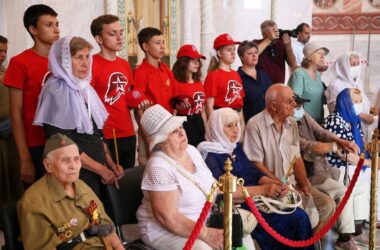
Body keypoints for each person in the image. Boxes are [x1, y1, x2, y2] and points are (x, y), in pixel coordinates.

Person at [136, 104, 254, 250]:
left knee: (244, 237)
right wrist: (206, 233)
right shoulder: (158, 167)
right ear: (161, 142)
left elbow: (213, 187)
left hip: (205, 220)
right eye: (173, 131)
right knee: (203, 248)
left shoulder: (191, 151)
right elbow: (168, 218)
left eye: (180, 127)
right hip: (166, 231)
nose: (181, 133)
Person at [198, 108, 314, 250]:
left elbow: (254, 174)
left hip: (259, 199)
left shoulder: (235, 148)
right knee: (296, 218)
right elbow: (226, 192)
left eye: (237, 124)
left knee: (299, 215)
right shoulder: (209, 156)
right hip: (241, 206)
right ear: (216, 129)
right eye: (229, 126)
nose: (236, 130)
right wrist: (264, 190)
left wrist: (275, 184)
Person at [34, 36, 123, 196]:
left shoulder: (83, 87)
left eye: (87, 56)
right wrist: (101, 169)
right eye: (78, 57)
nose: (85, 63)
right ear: (64, 61)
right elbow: (64, 142)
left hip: (98, 169)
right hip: (77, 172)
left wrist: (109, 163)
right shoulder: (56, 90)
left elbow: (97, 133)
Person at [243, 84, 335, 233]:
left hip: (293, 183)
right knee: (300, 216)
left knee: (327, 205)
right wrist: (278, 183)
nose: (294, 104)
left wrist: (304, 183)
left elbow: (296, 157)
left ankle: (308, 243)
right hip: (273, 187)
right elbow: (256, 164)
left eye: (293, 100)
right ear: (273, 106)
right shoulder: (255, 125)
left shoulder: (291, 123)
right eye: (289, 101)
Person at [17, 133, 124, 250]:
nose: (73, 166)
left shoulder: (81, 186)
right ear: (48, 165)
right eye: (65, 160)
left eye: (77, 159)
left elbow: (108, 229)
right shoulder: (33, 202)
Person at [295, 94, 371, 249]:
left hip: (320, 171)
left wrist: (341, 141)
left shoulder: (303, 116)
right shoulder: (289, 124)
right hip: (305, 176)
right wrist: (337, 146)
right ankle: (321, 240)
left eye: (300, 106)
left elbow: (322, 133)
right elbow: (309, 146)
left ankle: (346, 236)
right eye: (296, 106)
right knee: (336, 196)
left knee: (347, 190)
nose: (299, 109)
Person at [3, 4, 60, 185]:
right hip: (35, 143)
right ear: (33, 29)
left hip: (63, 141)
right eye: (49, 25)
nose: (56, 30)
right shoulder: (19, 62)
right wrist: (24, 158)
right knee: (40, 202)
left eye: (57, 24)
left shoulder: (63, 61)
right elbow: (16, 114)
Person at [90, 14, 148, 169]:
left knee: (127, 177)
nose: (119, 37)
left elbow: (127, 96)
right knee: (110, 182)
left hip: (128, 131)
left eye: (121, 32)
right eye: (112, 33)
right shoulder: (91, 64)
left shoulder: (124, 64)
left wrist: (139, 100)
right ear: (99, 39)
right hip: (105, 133)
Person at [133, 27, 176, 166]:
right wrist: (147, 138)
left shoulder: (167, 70)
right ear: (145, 46)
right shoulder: (140, 72)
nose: (163, 46)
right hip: (150, 132)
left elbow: (174, 101)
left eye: (163, 42)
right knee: (151, 168)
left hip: (168, 129)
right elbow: (138, 109)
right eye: (158, 43)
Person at [325, 52, 374, 141]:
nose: (356, 67)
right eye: (353, 64)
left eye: (358, 64)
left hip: (361, 128)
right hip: (347, 131)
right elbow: (338, 111)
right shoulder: (336, 85)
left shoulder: (358, 82)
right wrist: (363, 116)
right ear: (344, 66)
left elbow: (361, 102)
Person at [1, 35, 24, 205]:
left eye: (5, 51)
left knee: (13, 173)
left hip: (11, 130)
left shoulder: (6, 71)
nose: (2, 54)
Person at [172, 44, 207, 147]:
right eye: (193, 60)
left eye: (198, 60)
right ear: (183, 62)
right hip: (184, 123)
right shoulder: (176, 83)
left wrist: (206, 128)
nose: (197, 63)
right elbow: (173, 110)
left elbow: (203, 110)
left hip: (199, 121)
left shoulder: (198, 83)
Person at [204, 33, 244, 118]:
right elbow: (208, 106)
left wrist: (242, 124)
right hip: (222, 118)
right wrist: (215, 125)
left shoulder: (236, 74)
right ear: (219, 53)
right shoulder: (213, 75)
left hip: (236, 117)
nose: (233, 53)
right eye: (229, 50)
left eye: (234, 49)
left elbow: (239, 104)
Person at [288, 42, 328, 124]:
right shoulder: (299, 74)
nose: (322, 56)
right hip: (303, 124)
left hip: (318, 122)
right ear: (309, 56)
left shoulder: (317, 74)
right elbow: (294, 102)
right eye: (319, 53)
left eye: (323, 54)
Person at [237, 40, 273, 123]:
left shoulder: (263, 74)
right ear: (241, 57)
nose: (254, 55)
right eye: (249, 53)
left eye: (256, 52)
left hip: (268, 121)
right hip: (249, 123)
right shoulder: (237, 78)